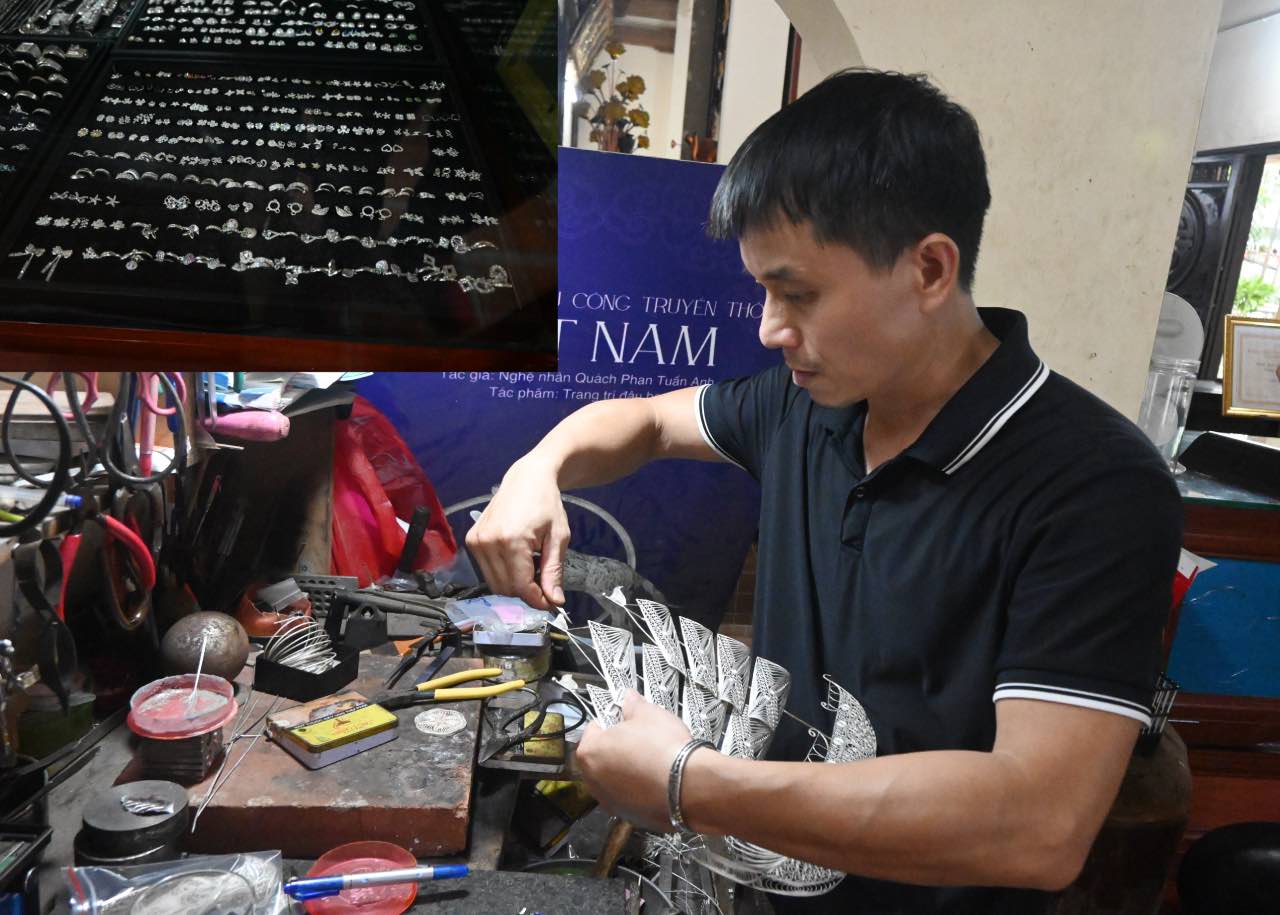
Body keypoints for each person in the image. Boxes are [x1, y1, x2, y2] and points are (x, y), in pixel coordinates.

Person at [467, 69, 1182, 913]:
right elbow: (649, 421)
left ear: (929, 269)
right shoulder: (807, 405)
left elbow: (1039, 823)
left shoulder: (1095, 487)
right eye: (765, 290)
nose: (770, 328)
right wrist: (538, 469)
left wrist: (689, 782)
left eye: (798, 293)